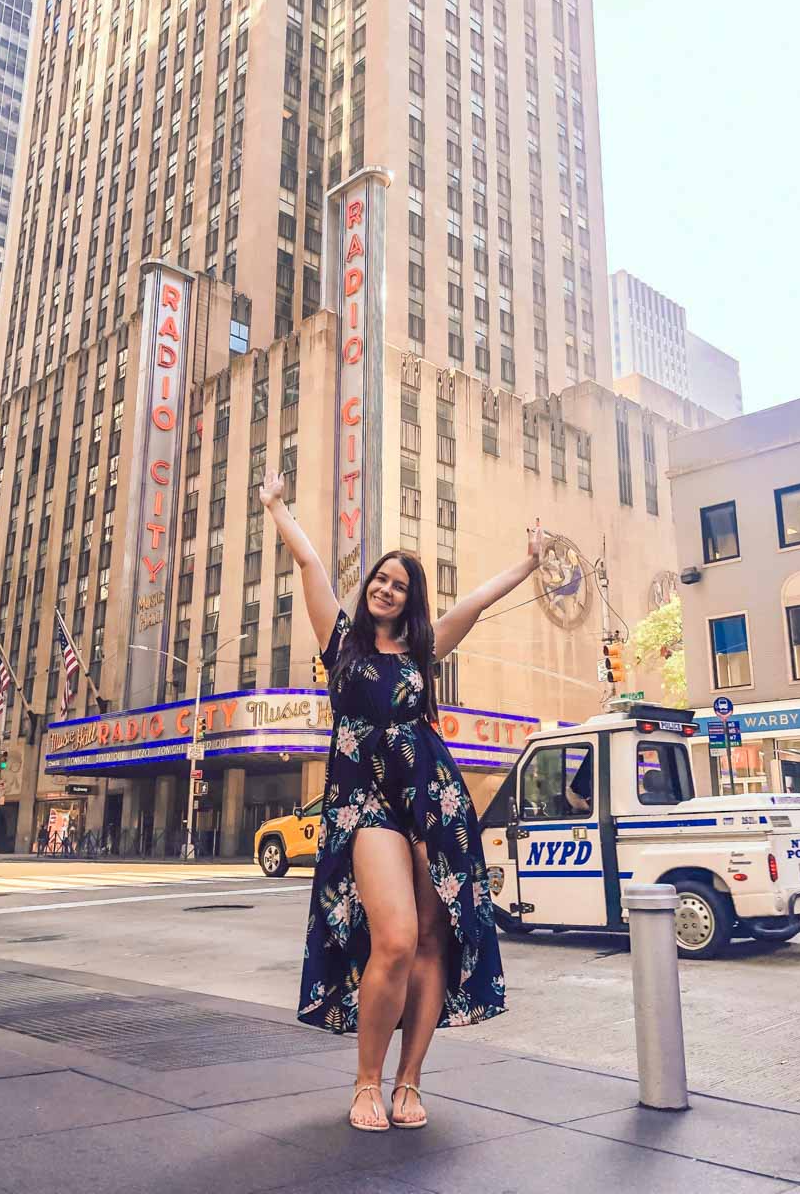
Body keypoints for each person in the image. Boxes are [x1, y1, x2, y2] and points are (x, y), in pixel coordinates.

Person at [260, 468, 543, 1132]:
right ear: (369, 590)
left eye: (400, 585)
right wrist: (276, 506)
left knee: (432, 941)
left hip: (434, 798)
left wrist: (529, 564)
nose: (388, 589)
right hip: (365, 803)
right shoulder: (341, 642)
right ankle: (366, 1082)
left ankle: (410, 1081)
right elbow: (309, 561)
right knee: (394, 938)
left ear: (410, 600)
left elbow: (476, 599)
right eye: (381, 580)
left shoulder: (422, 649)